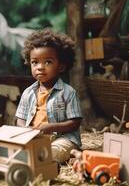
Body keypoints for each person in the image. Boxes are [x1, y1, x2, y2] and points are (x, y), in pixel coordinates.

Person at [15, 29, 82, 163]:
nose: (40, 67)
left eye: (48, 62)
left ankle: (50, 158)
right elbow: (20, 119)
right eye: (35, 62)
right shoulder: (28, 92)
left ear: (61, 66)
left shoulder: (68, 92)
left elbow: (75, 122)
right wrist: (25, 130)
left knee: (52, 152)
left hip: (62, 138)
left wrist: (52, 127)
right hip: (33, 137)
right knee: (11, 147)